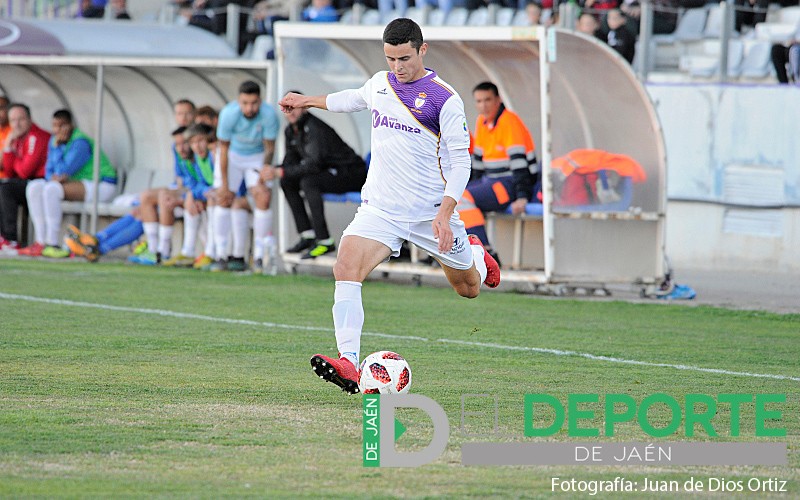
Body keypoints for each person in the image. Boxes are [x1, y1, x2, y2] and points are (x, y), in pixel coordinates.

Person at [278, 18, 500, 394]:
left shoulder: (444, 99)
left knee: (469, 289)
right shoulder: (381, 83)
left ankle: (476, 254)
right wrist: (307, 100)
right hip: (380, 208)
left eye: (405, 59)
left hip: (429, 213)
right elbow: (352, 98)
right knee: (345, 266)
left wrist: (446, 215)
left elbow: (462, 164)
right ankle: (348, 361)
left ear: (422, 50)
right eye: (391, 59)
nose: (398, 67)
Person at [271, 98, 367, 259]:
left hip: (352, 173)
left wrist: (283, 171)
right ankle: (307, 235)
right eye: (288, 108)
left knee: (309, 181)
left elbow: (313, 165)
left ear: (305, 109)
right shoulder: (290, 131)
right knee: (286, 181)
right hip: (331, 172)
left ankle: (324, 240)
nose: (292, 112)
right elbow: (290, 161)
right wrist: (277, 170)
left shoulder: (315, 128)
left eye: (295, 107)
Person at [455, 81, 538, 263]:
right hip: (490, 182)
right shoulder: (481, 122)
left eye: (487, 100)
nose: (483, 105)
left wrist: (522, 197)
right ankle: (450, 252)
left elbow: (520, 165)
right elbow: (478, 164)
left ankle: (486, 252)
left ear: (498, 100)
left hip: (508, 185)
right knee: (451, 196)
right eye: (478, 101)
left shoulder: (509, 121)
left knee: (462, 198)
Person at [24, 109, 118, 258]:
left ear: (70, 125)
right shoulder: (54, 141)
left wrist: (58, 148)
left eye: (62, 126)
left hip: (101, 185)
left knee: (52, 189)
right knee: (34, 186)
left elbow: (65, 170)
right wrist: (56, 153)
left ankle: (52, 243)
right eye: (54, 126)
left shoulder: (80, 142)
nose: (57, 130)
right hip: (77, 184)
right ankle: (40, 241)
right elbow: (49, 170)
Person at [213, 80, 279, 272]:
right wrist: (225, 184)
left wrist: (262, 176)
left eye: (253, 103)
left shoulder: (269, 115)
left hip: (256, 156)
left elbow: (269, 148)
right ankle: (220, 253)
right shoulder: (228, 114)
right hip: (233, 156)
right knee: (224, 198)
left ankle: (259, 256)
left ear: (260, 100)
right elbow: (223, 150)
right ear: (238, 101)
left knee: (263, 197)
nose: (249, 108)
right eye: (245, 103)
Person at [162, 124, 217, 267]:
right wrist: (196, 194)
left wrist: (197, 193)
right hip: (209, 196)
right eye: (193, 143)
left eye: (199, 141)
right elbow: (194, 184)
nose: (196, 146)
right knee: (190, 201)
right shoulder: (194, 160)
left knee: (201, 202)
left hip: (227, 198)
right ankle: (184, 252)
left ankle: (213, 254)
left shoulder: (213, 155)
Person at [0, 104, 50, 254]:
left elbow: (25, 171)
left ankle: (11, 239)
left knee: (6, 189)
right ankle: (3, 237)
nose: (17, 124)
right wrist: (8, 146)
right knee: (4, 185)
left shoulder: (36, 136)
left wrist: (14, 158)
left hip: (41, 183)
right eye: (13, 120)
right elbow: (8, 171)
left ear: (29, 119)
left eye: (21, 119)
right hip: (28, 184)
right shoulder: (17, 138)